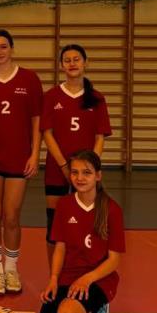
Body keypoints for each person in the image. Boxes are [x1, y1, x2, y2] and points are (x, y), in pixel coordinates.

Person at [0, 29, 43, 295]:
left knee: (12, 216)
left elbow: (37, 119)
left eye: (3, 46)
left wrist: (35, 153)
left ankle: (12, 268)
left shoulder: (29, 78)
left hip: (19, 157)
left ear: (12, 49)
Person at [39, 151, 124, 313]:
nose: (80, 178)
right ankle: (73, 310)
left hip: (98, 279)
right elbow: (60, 247)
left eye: (86, 172)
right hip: (68, 276)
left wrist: (87, 279)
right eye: (75, 172)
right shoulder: (64, 205)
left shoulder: (112, 209)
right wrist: (53, 279)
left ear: (98, 175)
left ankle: (98, 307)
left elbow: (114, 260)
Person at [41, 44, 111, 267]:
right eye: (67, 60)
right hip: (57, 170)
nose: (72, 63)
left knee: (85, 224)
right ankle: (55, 276)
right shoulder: (51, 96)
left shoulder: (97, 99)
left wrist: (89, 169)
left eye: (76, 59)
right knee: (54, 226)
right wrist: (65, 166)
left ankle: (83, 271)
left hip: (85, 174)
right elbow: (47, 134)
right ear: (61, 65)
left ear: (85, 63)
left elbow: (100, 137)